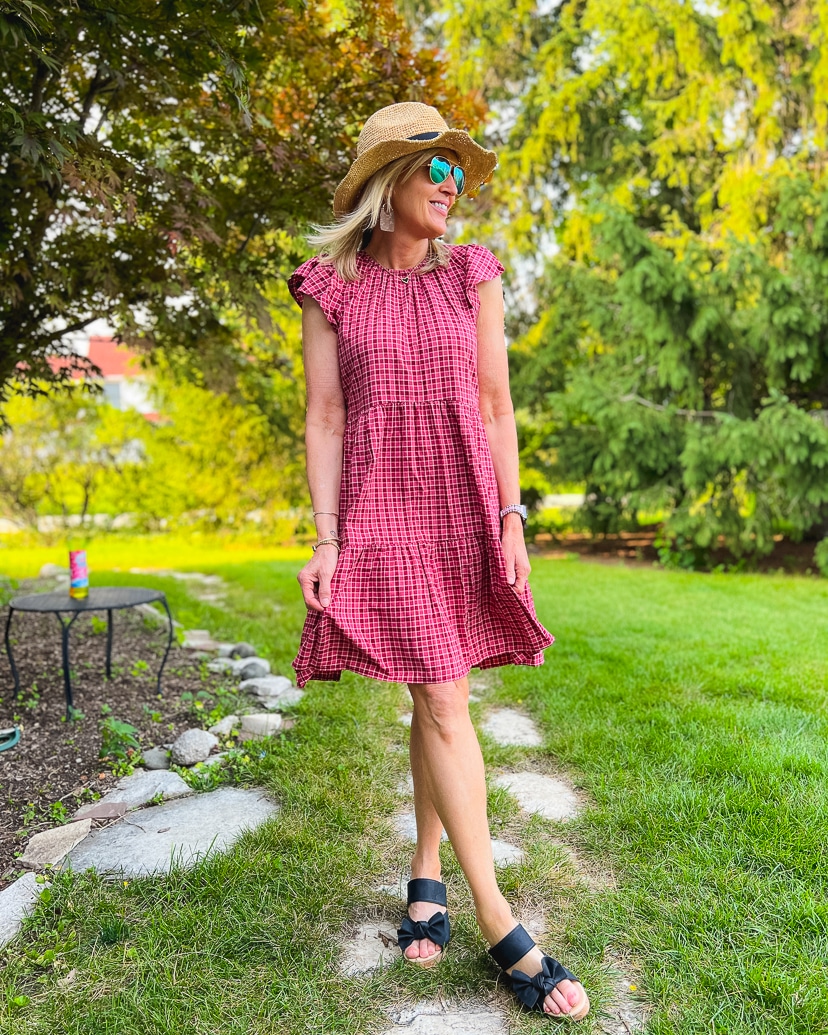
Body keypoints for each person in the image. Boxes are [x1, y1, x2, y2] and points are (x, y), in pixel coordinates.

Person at [289, 102, 590, 1021]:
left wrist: (511, 514)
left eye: (459, 173)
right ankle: (502, 920)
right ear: (390, 184)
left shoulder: (474, 277)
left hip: (461, 503)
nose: (454, 188)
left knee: (440, 687)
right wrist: (327, 536)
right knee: (442, 694)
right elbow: (326, 415)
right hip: (383, 510)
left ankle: (426, 869)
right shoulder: (330, 286)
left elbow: (497, 405)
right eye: (437, 171)